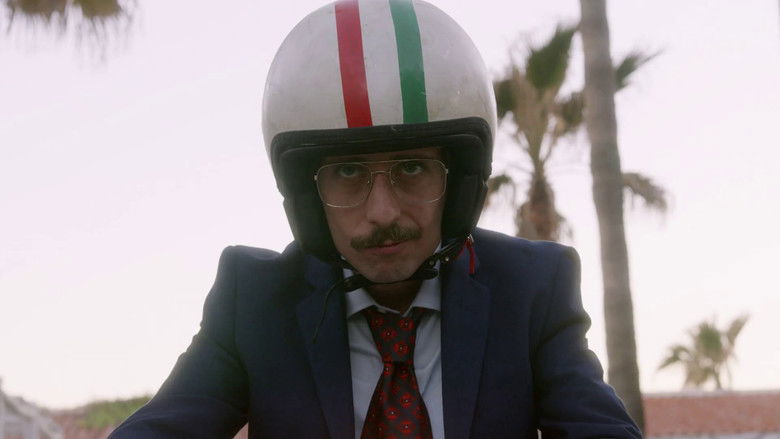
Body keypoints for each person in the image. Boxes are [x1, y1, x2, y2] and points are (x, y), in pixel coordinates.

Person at [110, 0, 641, 438]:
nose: (382, 212)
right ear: (307, 193)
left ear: (459, 183)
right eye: (347, 172)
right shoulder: (253, 299)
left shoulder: (532, 287)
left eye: (412, 168)